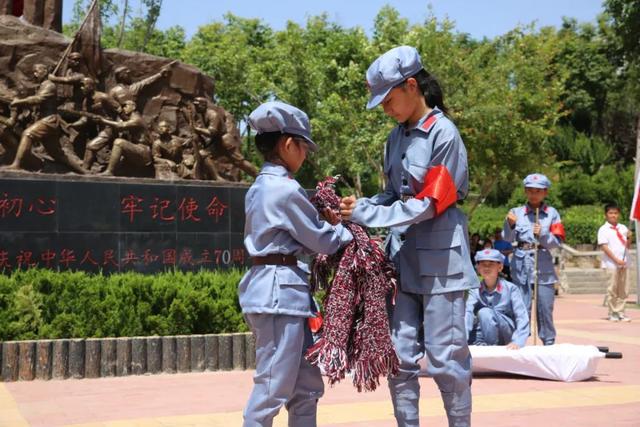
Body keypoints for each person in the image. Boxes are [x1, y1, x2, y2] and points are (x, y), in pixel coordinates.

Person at [340, 46, 478, 427]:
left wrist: (370, 213)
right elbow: (395, 196)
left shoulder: (443, 134)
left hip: (441, 264)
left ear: (412, 86)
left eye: (388, 99)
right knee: (398, 357)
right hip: (402, 262)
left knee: (446, 359)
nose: (385, 108)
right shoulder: (395, 138)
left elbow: (430, 203)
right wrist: (360, 205)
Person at [239, 101, 353, 427]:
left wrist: (323, 226)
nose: (305, 156)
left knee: (305, 386)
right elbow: (324, 241)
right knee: (272, 388)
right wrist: (344, 228)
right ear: (288, 144)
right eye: (303, 147)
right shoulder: (284, 190)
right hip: (279, 297)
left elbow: (297, 237)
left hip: (283, 293)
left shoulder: (261, 186)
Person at [503, 173, 565, 345]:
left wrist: (543, 234)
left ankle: (548, 342)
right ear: (525, 191)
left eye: (538, 191)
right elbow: (507, 238)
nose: (534, 194)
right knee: (521, 307)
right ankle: (519, 341)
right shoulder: (516, 212)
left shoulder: (552, 214)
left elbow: (557, 242)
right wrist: (510, 224)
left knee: (545, 307)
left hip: (542, 265)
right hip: (521, 265)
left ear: (545, 192)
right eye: (530, 190)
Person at [465, 249, 529, 349]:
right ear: (478, 268)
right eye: (482, 263)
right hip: (483, 332)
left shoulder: (511, 289)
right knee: (471, 324)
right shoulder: (474, 290)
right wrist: (462, 339)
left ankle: (492, 348)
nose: (486, 267)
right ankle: (478, 343)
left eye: (491, 263)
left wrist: (518, 341)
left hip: (505, 333)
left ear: (500, 267)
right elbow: (467, 313)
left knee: (484, 312)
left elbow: (521, 316)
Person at [597, 203, 632, 322]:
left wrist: (630, 237)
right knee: (612, 288)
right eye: (611, 213)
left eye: (616, 213)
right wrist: (616, 260)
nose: (613, 215)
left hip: (624, 262)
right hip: (611, 264)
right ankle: (613, 312)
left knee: (623, 289)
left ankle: (621, 311)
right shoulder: (603, 229)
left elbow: (627, 245)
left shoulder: (623, 228)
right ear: (606, 215)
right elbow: (604, 247)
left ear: (619, 214)